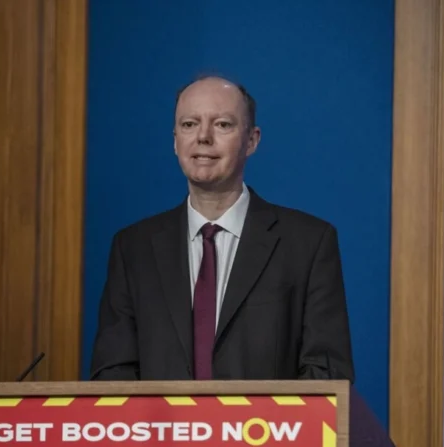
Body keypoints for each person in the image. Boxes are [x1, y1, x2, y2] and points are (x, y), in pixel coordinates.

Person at [89, 75, 354, 382]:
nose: (203, 136)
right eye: (189, 124)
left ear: (252, 140)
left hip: (261, 430)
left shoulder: (308, 244)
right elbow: (112, 374)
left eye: (222, 124)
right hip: (162, 429)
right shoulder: (132, 248)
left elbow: (326, 375)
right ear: (175, 140)